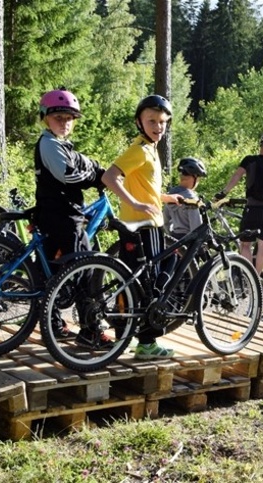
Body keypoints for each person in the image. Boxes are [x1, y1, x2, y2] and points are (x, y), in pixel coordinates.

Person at [102, 94, 179, 360]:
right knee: (150, 283)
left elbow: (146, 189)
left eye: (162, 122)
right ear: (139, 122)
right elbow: (109, 177)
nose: (158, 127)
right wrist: (134, 202)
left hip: (143, 224)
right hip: (143, 226)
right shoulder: (139, 150)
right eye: (152, 121)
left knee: (135, 281)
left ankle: (129, 336)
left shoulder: (149, 149)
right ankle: (146, 343)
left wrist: (169, 198)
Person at [33, 89, 107, 343]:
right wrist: (96, 178)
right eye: (58, 118)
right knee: (87, 269)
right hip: (63, 217)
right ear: (45, 118)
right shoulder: (49, 144)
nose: (64, 123)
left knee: (53, 272)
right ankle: (91, 331)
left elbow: (84, 163)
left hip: (56, 215)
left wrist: (99, 169)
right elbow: (68, 175)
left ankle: (54, 325)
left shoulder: (60, 144)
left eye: (69, 118)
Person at [216, 132, 263, 275]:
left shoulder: (249, 160)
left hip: (253, 208)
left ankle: (249, 278)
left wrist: (224, 193)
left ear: (262, 145)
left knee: (246, 244)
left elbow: (236, 176)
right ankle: (258, 276)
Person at [164, 157, 207, 239]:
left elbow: (165, 222)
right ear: (194, 177)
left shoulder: (170, 195)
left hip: (175, 239)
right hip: (190, 242)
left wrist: (172, 236)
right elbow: (196, 228)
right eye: (198, 179)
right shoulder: (191, 198)